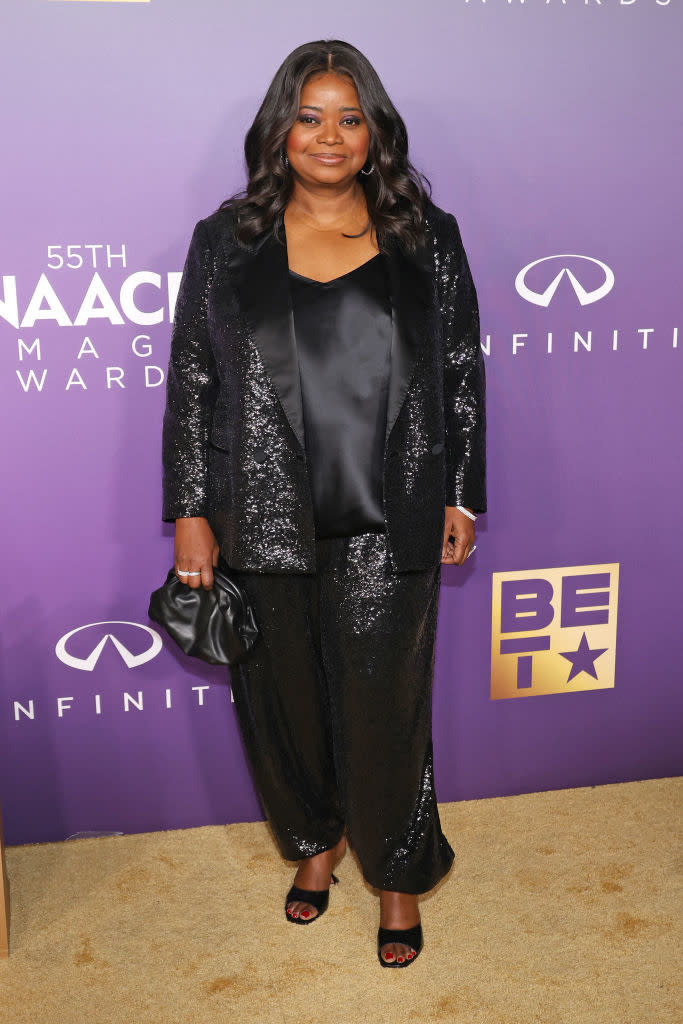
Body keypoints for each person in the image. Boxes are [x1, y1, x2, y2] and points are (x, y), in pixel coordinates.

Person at [161, 39, 486, 969]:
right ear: (280, 132)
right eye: (310, 117)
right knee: (282, 703)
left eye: (350, 117)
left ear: (376, 134)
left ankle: (395, 873)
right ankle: (314, 846)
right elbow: (192, 383)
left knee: (386, 707)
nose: (330, 136)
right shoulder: (225, 241)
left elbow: (460, 374)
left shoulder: (429, 237)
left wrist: (463, 494)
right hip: (259, 509)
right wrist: (191, 507)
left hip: (394, 514)